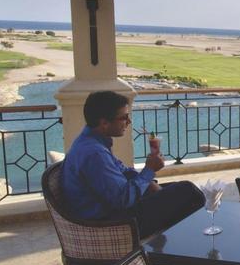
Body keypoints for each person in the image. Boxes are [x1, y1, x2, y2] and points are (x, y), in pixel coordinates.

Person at [61, 91, 204, 239]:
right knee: (188, 192)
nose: (129, 122)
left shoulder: (91, 142)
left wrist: (149, 183)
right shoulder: (95, 153)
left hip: (110, 209)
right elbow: (124, 199)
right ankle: (189, 242)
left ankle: (173, 238)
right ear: (104, 123)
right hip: (109, 223)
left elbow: (123, 171)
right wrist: (149, 170)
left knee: (176, 189)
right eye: (124, 117)